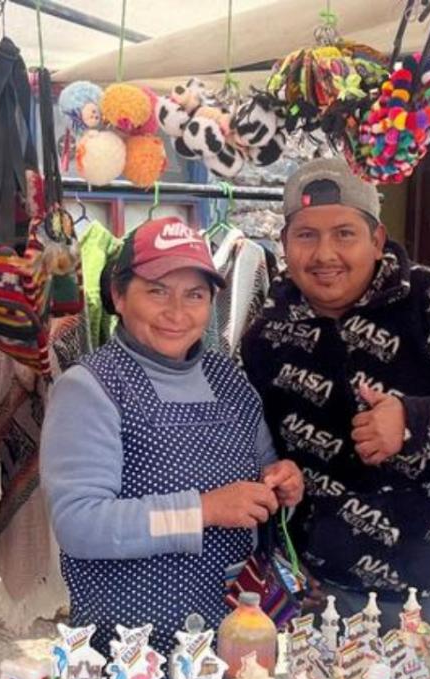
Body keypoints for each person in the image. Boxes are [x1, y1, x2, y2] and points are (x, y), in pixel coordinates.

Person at [241, 159, 430, 635]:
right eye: (306, 236)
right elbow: (262, 450)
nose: (325, 254)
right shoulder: (265, 336)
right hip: (333, 606)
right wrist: (280, 476)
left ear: (377, 240)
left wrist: (416, 422)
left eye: (344, 233)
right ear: (284, 245)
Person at [42, 217, 304, 655]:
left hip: (233, 637)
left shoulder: (228, 379)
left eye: (194, 295)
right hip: (132, 650)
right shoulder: (90, 388)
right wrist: (204, 510)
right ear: (118, 296)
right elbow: (80, 523)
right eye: (157, 290)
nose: (177, 312)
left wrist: (282, 485)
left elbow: (263, 482)